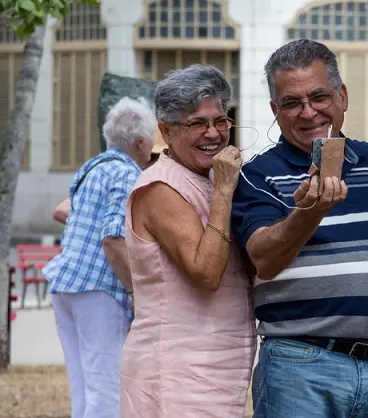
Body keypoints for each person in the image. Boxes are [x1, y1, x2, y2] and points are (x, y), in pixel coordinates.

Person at [231, 39, 368, 418]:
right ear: (275, 111)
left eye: (319, 97)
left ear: (342, 96)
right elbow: (264, 261)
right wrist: (308, 213)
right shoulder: (257, 175)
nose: (308, 112)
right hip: (299, 368)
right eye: (291, 103)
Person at [119, 64, 256, 417]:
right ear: (166, 130)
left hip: (216, 366)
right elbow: (206, 272)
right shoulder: (160, 187)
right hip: (176, 372)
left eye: (221, 121)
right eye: (197, 123)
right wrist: (224, 191)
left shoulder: (206, 178)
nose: (213, 134)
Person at [42, 97, 156, 418]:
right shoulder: (126, 174)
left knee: (83, 385)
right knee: (106, 387)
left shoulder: (92, 168)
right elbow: (113, 239)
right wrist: (135, 291)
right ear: (139, 142)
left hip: (66, 285)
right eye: (151, 138)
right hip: (100, 290)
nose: (153, 146)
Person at [51, 130, 168, 225]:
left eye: (160, 158)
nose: (151, 162)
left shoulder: (162, 189)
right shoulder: (124, 179)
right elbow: (60, 210)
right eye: (152, 157)